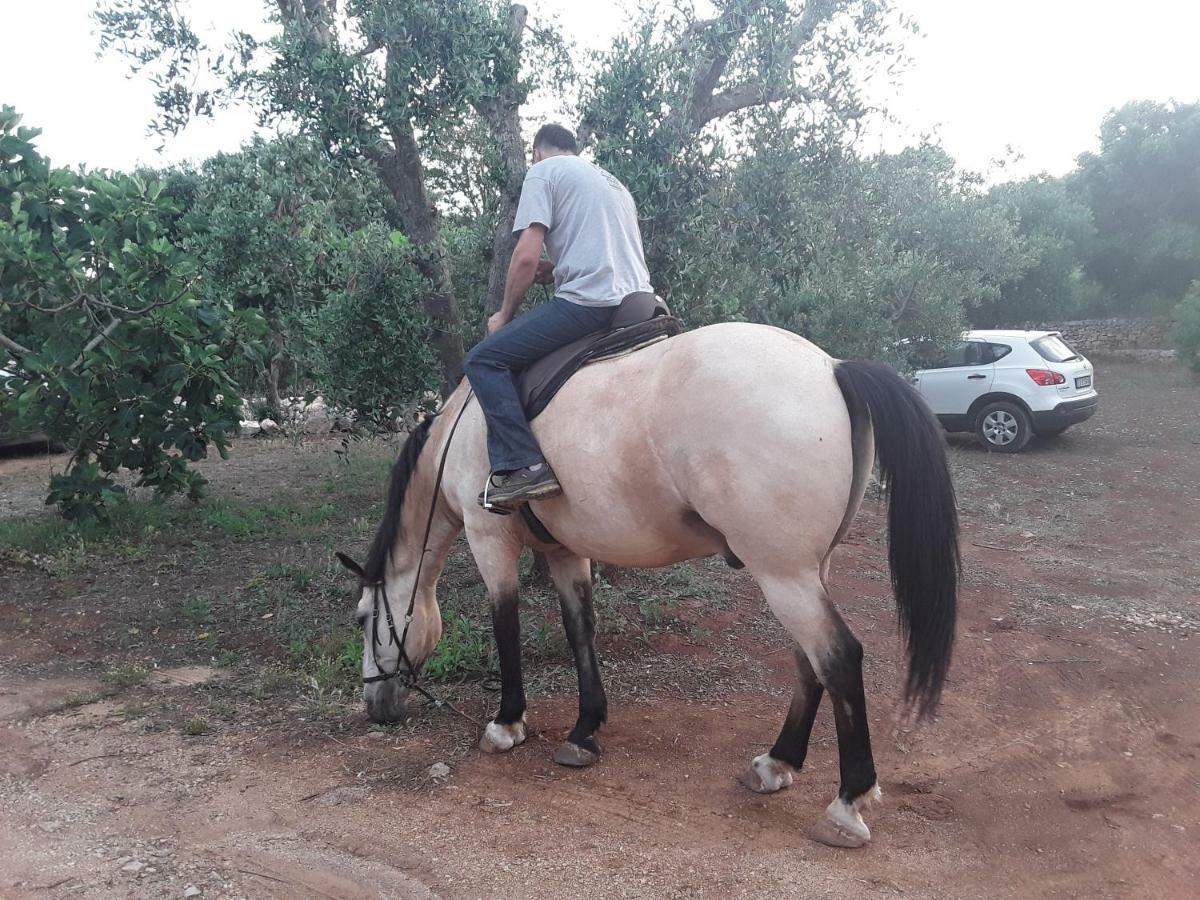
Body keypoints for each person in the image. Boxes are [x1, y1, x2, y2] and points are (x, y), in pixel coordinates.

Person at [463, 123, 653, 509]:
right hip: (641, 302)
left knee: (483, 359)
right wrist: (559, 267)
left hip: (590, 304)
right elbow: (605, 251)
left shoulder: (542, 172)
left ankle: (523, 466)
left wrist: (503, 315)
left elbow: (525, 256)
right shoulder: (613, 183)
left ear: (537, 152)